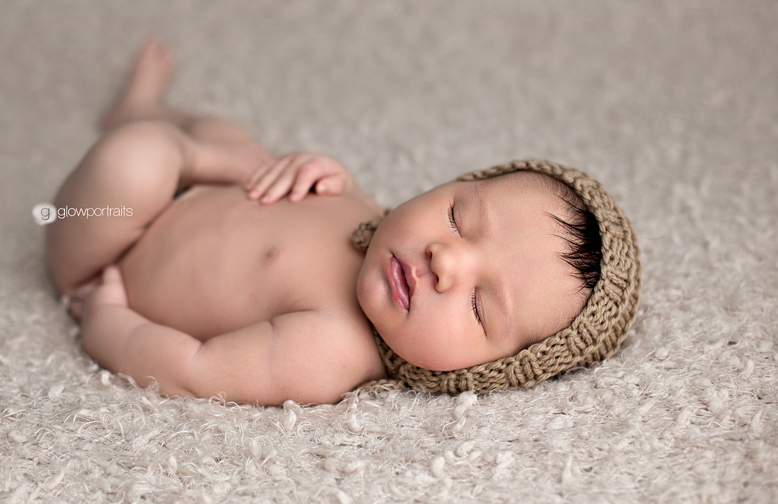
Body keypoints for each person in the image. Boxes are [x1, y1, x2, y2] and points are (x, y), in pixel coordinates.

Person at [45, 39, 641, 405]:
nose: (447, 260)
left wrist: (106, 320)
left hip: (108, 238)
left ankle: (162, 139)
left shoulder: (331, 349)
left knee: (137, 160)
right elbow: (340, 208)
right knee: (240, 144)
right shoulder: (383, 230)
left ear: (488, 372)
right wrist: (328, 176)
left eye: (481, 307)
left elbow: (193, 370)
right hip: (208, 191)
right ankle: (153, 116)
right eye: (460, 218)